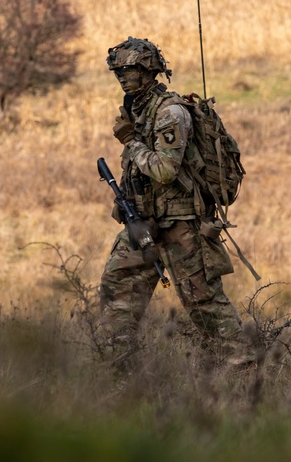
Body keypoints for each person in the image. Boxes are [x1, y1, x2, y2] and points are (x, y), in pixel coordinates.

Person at [98, 37, 251, 367]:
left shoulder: (171, 113)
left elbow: (165, 170)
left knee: (204, 304)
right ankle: (119, 373)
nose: (121, 76)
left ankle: (244, 372)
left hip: (182, 226)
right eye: (117, 71)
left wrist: (130, 141)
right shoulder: (136, 109)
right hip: (143, 222)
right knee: (117, 294)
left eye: (128, 69)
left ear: (148, 71)